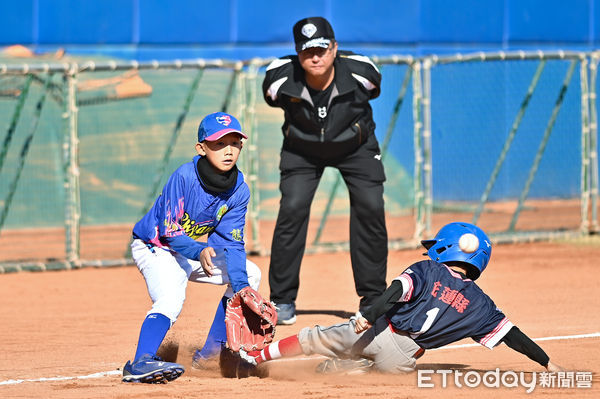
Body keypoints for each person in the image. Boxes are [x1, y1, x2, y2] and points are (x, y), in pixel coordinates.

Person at [242, 222, 563, 374]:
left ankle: (254, 359)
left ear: (446, 248)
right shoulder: (482, 306)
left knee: (314, 338)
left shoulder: (427, 270)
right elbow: (513, 337)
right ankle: (348, 371)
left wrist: (367, 315)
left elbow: (394, 293)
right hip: (405, 359)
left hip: (379, 333)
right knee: (373, 372)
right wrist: (547, 362)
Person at [262, 16, 388, 325]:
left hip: (355, 146)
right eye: (306, 51)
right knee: (292, 209)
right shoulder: (279, 78)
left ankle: (372, 298)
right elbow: (272, 99)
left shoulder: (362, 72)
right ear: (297, 52)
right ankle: (282, 301)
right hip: (301, 151)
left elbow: (373, 92)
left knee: (370, 207)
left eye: (321, 49)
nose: (314, 57)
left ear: (334, 49)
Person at [122, 112, 262, 383]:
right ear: (201, 148)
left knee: (249, 275)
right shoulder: (185, 177)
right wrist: (198, 250)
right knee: (172, 297)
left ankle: (209, 355)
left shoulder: (239, 189)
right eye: (219, 144)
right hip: (156, 246)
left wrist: (242, 287)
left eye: (234, 143)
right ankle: (140, 363)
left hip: (195, 251)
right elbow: (170, 232)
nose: (228, 150)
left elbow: (231, 243)